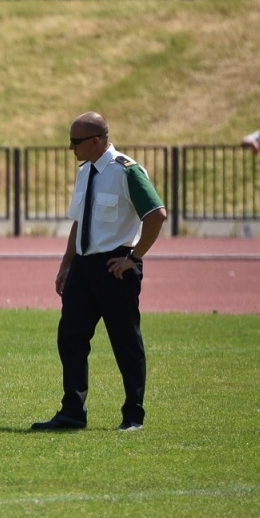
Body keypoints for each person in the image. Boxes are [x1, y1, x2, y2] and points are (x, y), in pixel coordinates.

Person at [32, 112, 167, 434]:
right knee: (71, 338)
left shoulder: (126, 171)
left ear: (96, 140)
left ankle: (133, 415)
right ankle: (72, 412)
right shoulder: (86, 172)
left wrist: (133, 258)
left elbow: (157, 215)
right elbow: (79, 222)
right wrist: (67, 264)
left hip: (115, 267)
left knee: (125, 342)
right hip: (83, 266)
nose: (70, 148)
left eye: (75, 142)